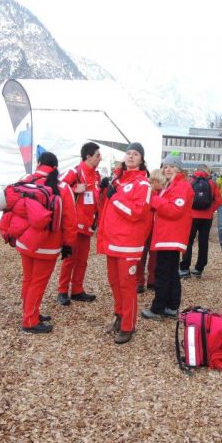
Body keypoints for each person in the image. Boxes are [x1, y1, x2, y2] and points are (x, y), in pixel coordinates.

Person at [1, 152, 77, 333]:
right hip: (48, 244)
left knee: (28, 279)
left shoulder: (26, 179)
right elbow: (69, 220)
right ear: (56, 167)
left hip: (25, 240)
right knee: (38, 282)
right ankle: (30, 321)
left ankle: (30, 311)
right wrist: (69, 244)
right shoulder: (63, 187)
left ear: (39, 163)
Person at [97, 142, 152, 344]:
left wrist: (115, 196)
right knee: (114, 283)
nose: (131, 156)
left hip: (128, 243)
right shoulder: (118, 180)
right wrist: (104, 190)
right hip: (112, 241)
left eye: (135, 153)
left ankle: (128, 326)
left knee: (127, 286)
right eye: (128, 153)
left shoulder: (143, 185)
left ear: (141, 159)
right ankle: (119, 317)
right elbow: (106, 208)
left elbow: (137, 212)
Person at [141, 153, 193, 320]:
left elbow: (174, 210)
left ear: (179, 169)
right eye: (166, 166)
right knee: (171, 273)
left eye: (172, 166)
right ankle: (171, 306)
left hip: (170, 237)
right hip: (168, 236)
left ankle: (158, 309)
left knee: (163, 273)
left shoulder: (182, 186)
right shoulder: (171, 186)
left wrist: (154, 199)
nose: (168, 169)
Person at [57, 142, 102, 306]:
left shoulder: (97, 176)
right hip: (73, 224)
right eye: (98, 155)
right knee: (69, 259)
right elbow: (57, 186)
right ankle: (62, 291)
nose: (100, 158)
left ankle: (77, 290)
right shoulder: (74, 172)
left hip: (88, 224)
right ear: (88, 156)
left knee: (82, 260)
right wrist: (74, 189)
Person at [179, 164, 222, 279]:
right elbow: (218, 200)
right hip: (207, 217)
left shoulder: (190, 181)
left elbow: (184, 198)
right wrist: (210, 210)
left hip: (192, 216)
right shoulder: (212, 183)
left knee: (188, 241)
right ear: (207, 171)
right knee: (203, 242)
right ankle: (199, 268)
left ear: (196, 170)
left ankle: (184, 268)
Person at [136, 169, 166, 293]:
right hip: (145, 228)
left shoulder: (160, 192)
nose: (163, 185)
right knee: (142, 256)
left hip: (154, 228)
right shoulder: (149, 192)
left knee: (153, 256)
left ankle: (150, 280)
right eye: (161, 182)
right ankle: (140, 281)